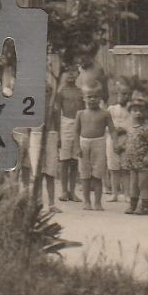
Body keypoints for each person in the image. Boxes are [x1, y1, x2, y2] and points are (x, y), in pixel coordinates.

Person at [74, 91, 115, 211]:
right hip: (83, 143)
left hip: (99, 143)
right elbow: (76, 131)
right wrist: (77, 147)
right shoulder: (80, 113)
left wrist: (116, 143)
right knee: (85, 174)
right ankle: (86, 201)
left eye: (95, 96)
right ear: (84, 98)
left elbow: (112, 130)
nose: (92, 99)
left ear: (100, 98)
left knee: (98, 174)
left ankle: (97, 202)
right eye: (89, 97)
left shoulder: (105, 114)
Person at [54, 67, 85, 202]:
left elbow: (84, 112)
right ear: (64, 73)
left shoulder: (80, 92)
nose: (71, 74)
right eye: (68, 71)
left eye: (74, 71)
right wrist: (59, 135)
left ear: (78, 73)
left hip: (78, 126)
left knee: (74, 160)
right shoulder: (61, 91)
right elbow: (56, 113)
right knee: (64, 160)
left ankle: (72, 191)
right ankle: (64, 191)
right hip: (65, 124)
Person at [106, 88, 134, 202]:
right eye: (122, 93)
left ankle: (127, 194)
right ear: (117, 95)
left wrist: (125, 133)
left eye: (127, 94)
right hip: (112, 139)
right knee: (113, 168)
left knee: (125, 168)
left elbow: (132, 126)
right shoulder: (111, 109)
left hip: (127, 140)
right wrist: (114, 133)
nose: (124, 96)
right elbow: (107, 125)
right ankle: (114, 194)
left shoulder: (132, 110)